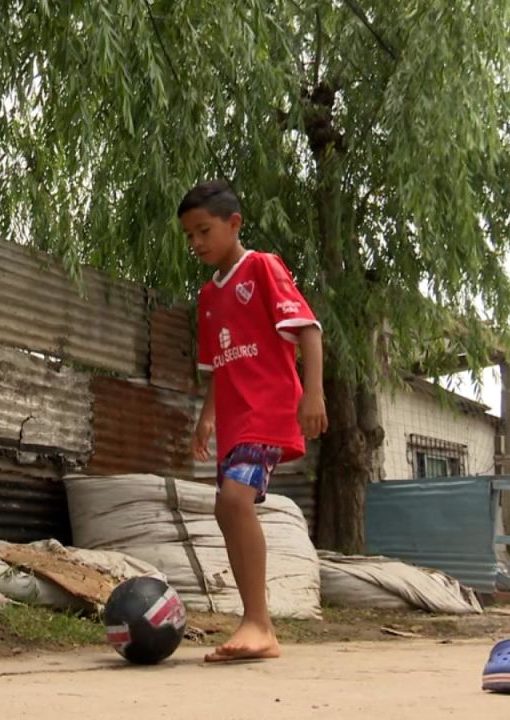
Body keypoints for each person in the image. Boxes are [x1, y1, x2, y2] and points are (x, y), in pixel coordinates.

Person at [180, 179, 328, 663]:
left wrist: (313, 393)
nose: (197, 243)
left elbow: (307, 331)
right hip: (234, 422)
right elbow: (220, 368)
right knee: (227, 509)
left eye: (204, 231)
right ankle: (252, 620)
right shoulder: (207, 297)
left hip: (269, 411)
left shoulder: (262, 267)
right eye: (190, 236)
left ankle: (260, 624)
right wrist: (205, 420)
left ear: (234, 224)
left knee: (236, 499)